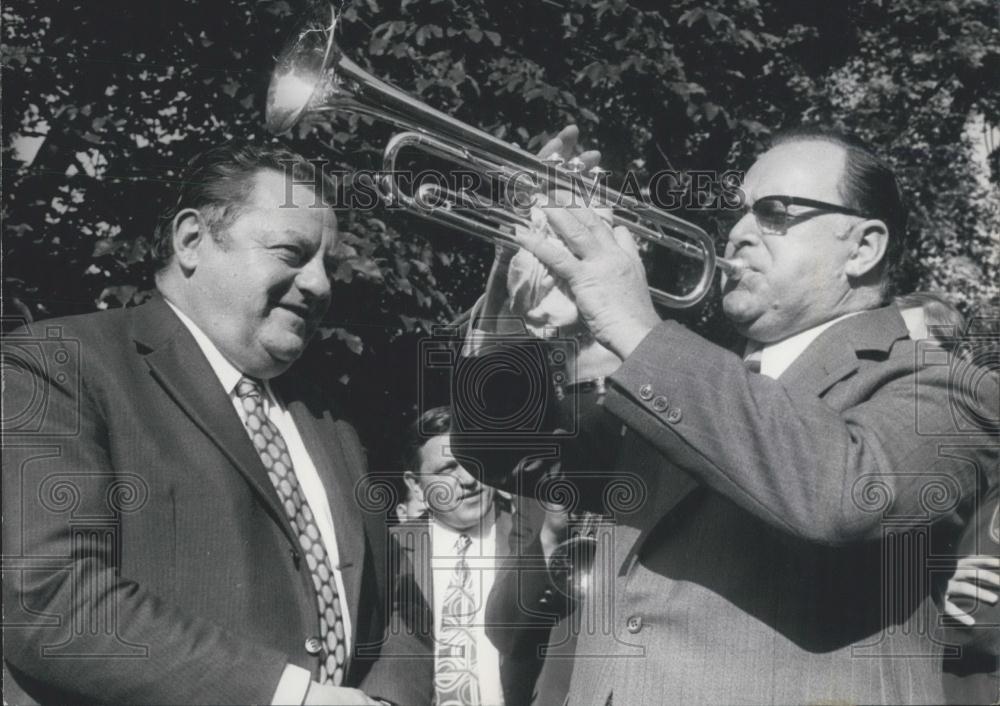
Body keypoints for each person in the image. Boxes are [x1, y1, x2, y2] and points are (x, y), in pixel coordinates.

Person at [451, 127, 998, 704]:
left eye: (775, 213)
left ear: (862, 248)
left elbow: (846, 496)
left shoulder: (954, 388)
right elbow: (498, 448)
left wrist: (635, 325)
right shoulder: (683, 381)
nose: (736, 234)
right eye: (739, 213)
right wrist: (509, 284)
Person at [1, 141, 426, 705]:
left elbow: (397, 599)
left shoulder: (331, 415)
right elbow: (52, 601)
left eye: (326, 263)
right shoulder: (60, 363)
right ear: (192, 241)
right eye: (290, 252)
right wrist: (292, 697)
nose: (321, 283)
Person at [385, 406, 557, 706]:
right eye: (447, 469)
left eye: (473, 460)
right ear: (415, 485)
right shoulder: (391, 550)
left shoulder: (533, 536)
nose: (468, 478)